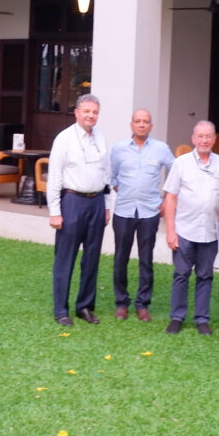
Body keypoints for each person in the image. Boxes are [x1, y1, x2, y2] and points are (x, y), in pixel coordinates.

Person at [162, 121, 219, 336]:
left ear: (214, 139)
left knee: (205, 276)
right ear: (193, 139)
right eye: (200, 136)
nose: (204, 140)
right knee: (181, 274)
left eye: (208, 136)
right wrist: (170, 231)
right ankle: (177, 317)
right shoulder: (181, 163)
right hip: (184, 230)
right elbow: (170, 197)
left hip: (209, 232)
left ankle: (202, 319)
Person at [46, 94, 113, 326]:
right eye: (86, 111)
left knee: (92, 258)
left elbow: (106, 173)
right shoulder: (64, 139)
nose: (91, 116)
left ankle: (85, 306)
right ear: (76, 112)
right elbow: (54, 176)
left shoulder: (101, 137)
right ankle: (61, 310)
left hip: (96, 202)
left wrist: (106, 205)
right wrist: (55, 211)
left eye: (95, 112)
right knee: (65, 258)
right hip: (72, 201)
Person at [109, 109, 175, 321]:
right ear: (131, 125)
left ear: (151, 126)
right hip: (124, 211)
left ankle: (143, 304)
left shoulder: (161, 148)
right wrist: (125, 191)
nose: (141, 125)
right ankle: (121, 302)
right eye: (137, 121)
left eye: (145, 121)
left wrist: (167, 200)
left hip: (150, 212)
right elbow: (111, 176)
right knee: (121, 258)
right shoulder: (119, 149)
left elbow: (176, 173)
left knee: (146, 259)